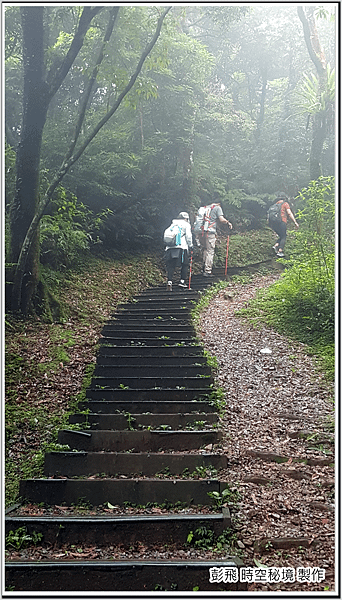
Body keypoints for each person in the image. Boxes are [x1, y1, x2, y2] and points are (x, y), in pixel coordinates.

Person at [200, 201, 232, 276]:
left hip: (201, 232)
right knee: (210, 251)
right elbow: (222, 219)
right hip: (210, 232)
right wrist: (228, 222)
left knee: (205, 249)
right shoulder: (217, 208)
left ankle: (203, 268)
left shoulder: (206, 207)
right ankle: (207, 270)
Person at [164, 212, 193, 291]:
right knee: (185, 264)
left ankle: (169, 281)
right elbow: (188, 236)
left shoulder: (172, 224)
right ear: (186, 218)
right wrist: (191, 246)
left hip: (169, 248)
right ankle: (182, 281)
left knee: (171, 265)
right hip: (182, 247)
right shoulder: (186, 224)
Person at [268, 192, 299, 258]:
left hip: (273, 224)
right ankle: (280, 251)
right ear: (284, 198)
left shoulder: (274, 206)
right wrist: (295, 222)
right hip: (281, 222)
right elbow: (289, 213)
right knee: (284, 236)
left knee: (281, 236)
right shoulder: (285, 204)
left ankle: (276, 246)